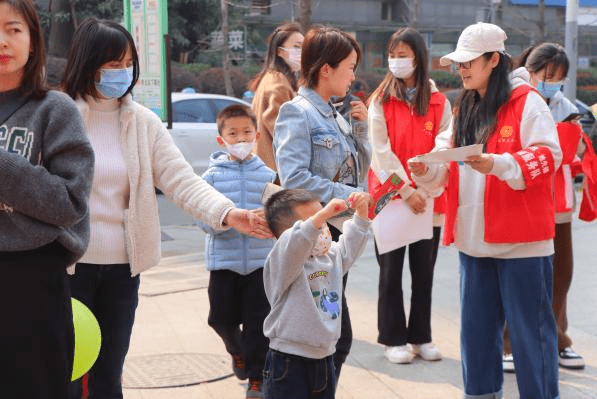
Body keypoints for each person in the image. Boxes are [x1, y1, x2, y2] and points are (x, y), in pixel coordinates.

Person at [60, 18, 271, 398]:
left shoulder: (143, 123)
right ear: (86, 63)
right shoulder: (60, 114)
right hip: (69, 268)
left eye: (127, 64)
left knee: (109, 372)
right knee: (68, 374)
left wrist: (227, 213)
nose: (121, 73)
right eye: (111, 64)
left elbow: (181, 179)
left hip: (124, 269)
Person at [409, 23, 561, 399]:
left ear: (495, 59)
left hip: (522, 244)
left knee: (532, 337)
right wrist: (427, 168)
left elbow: (548, 155)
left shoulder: (529, 102)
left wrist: (499, 164)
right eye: (458, 64)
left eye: (468, 62)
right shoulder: (465, 106)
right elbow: (445, 157)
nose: (461, 70)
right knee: (475, 334)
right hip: (474, 241)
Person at [0, 0, 94, 397]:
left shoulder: (54, 109)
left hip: (32, 279)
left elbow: (69, 203)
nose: (3, 40)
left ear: (34, 41)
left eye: (13, 29)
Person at [272, 26, 371, 382]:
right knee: (332, 334)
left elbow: (356, 170)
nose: (353, 75)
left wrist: (361, 130)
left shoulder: (333, 112)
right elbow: (294, 178)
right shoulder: (296, 112)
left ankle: (313, 386)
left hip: (335, 233)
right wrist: (345, 197)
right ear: (326, 69)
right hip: (313, 236)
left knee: (332, 329)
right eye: (350, 66)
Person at [367, 27, 451, 364]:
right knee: (390, 274)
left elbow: (445, 144)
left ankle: (421, 336)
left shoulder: (438, 101)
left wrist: (425, 188)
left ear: (419, 58)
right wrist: (404, 189)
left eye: (404, 55)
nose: (397, 61)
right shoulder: (380, 100)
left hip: (428, 200)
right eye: (393, 55)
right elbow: (380, 150)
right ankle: (392, 338)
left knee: (423, 273)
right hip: (390, 199)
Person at [502, 42, 585, 372]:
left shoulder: (566, 106)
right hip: (524, 198)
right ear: (530, 70)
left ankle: (557, 338)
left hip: (559, 200)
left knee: (561, 272)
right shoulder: (513, 99)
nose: (553, 83)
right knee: (522, 274)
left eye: (559, 78)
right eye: (548, 75)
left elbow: (571, 151)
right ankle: (509, 343)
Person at [261, 189, 371, 399]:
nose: (324, 229)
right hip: (288, 361)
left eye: (325, 223)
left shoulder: (330, 257)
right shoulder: (283, 262)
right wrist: (321, 216)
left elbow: (351, 245)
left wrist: (362, 213)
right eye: (317, 224)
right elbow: (295, 242)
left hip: (325, 357)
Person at [198, 104, 276, 398]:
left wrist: (270, 220)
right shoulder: (211, 178)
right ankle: (237, 351)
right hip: (223, 263)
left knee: (259, 324)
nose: (241, 138)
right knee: (220, 318)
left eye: (246, 132)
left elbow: (279, 214)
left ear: (256, 135)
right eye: (233, 133)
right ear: (222, 139)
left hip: (260, 264)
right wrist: (226, 221)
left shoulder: (269, 174)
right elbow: (200, 217)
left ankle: (257, 378)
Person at [250, 22, 303, 171]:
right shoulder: (278, 82)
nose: (302, 52)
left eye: (304, 47)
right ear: (280, 52)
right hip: (275, 169)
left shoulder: (272, 78)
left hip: (267, 166)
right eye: (297, 47)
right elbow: (282, 130)